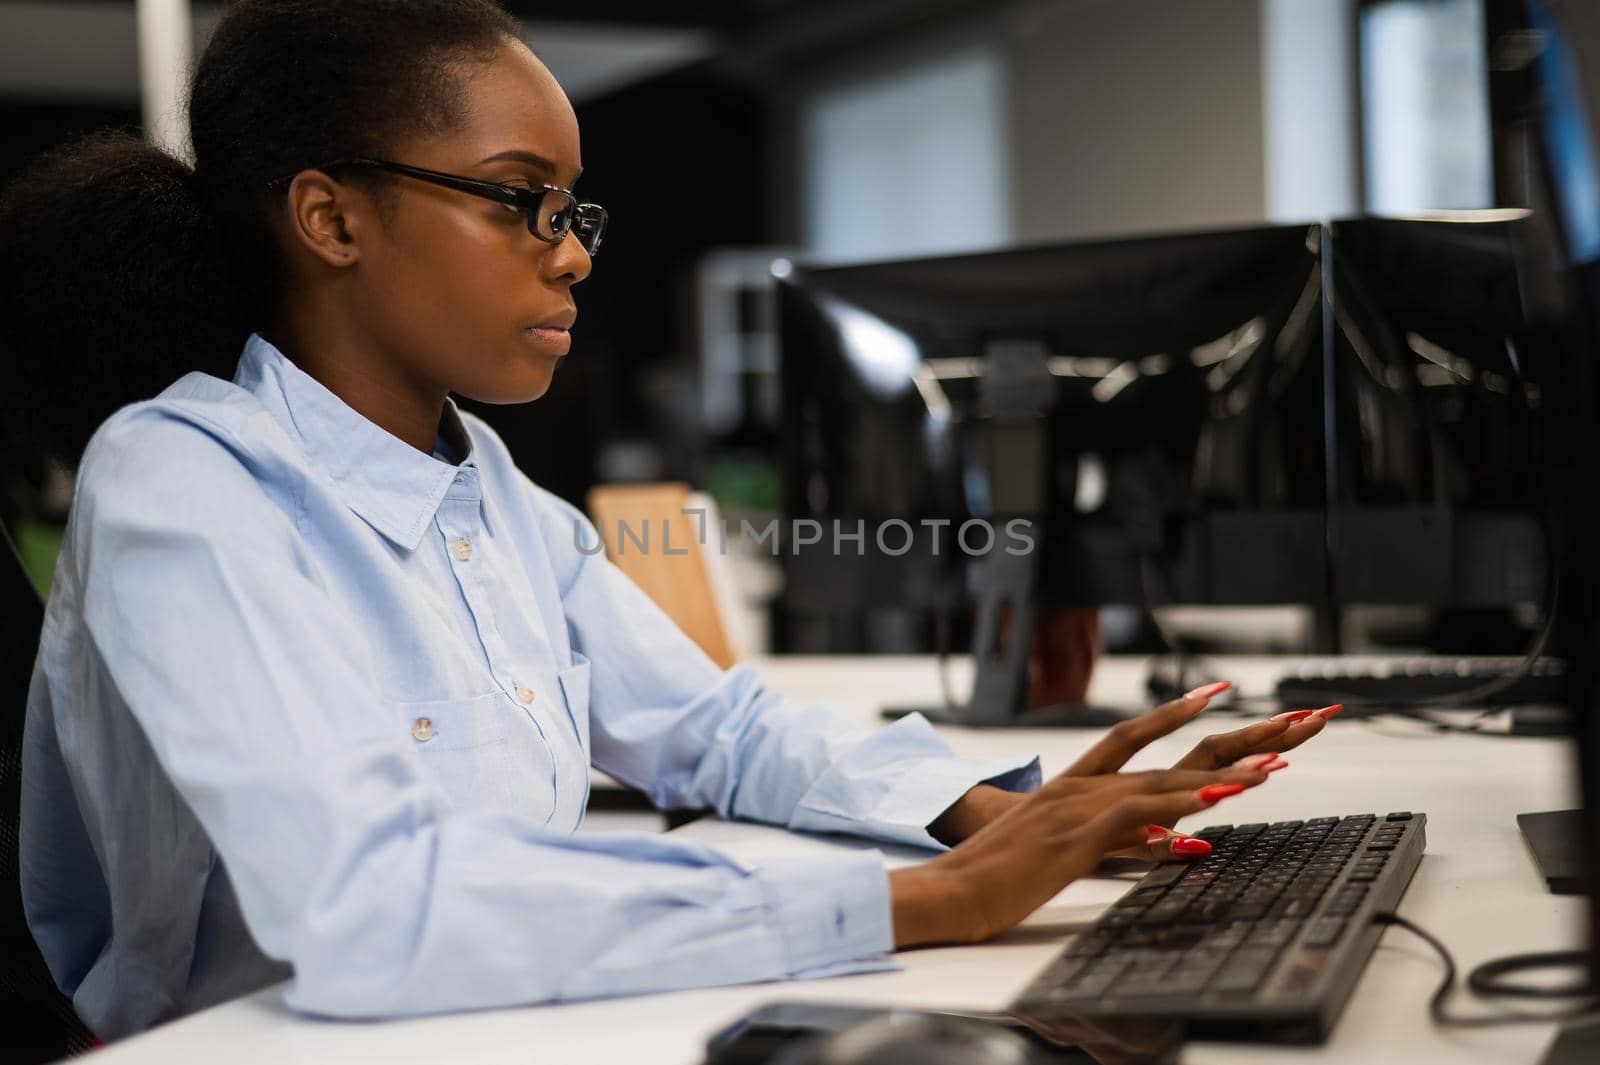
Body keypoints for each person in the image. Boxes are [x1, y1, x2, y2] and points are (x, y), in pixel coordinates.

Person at [0, 0, 1335, 1041]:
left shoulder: (488, 485)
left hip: (496, 1020)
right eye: (523, 199)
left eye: (574, 209)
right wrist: (922, 901)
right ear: (331, 216)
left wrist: (980, 812)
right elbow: (374, 911)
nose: (575, 250)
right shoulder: (183, 482)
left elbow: (716, 729)